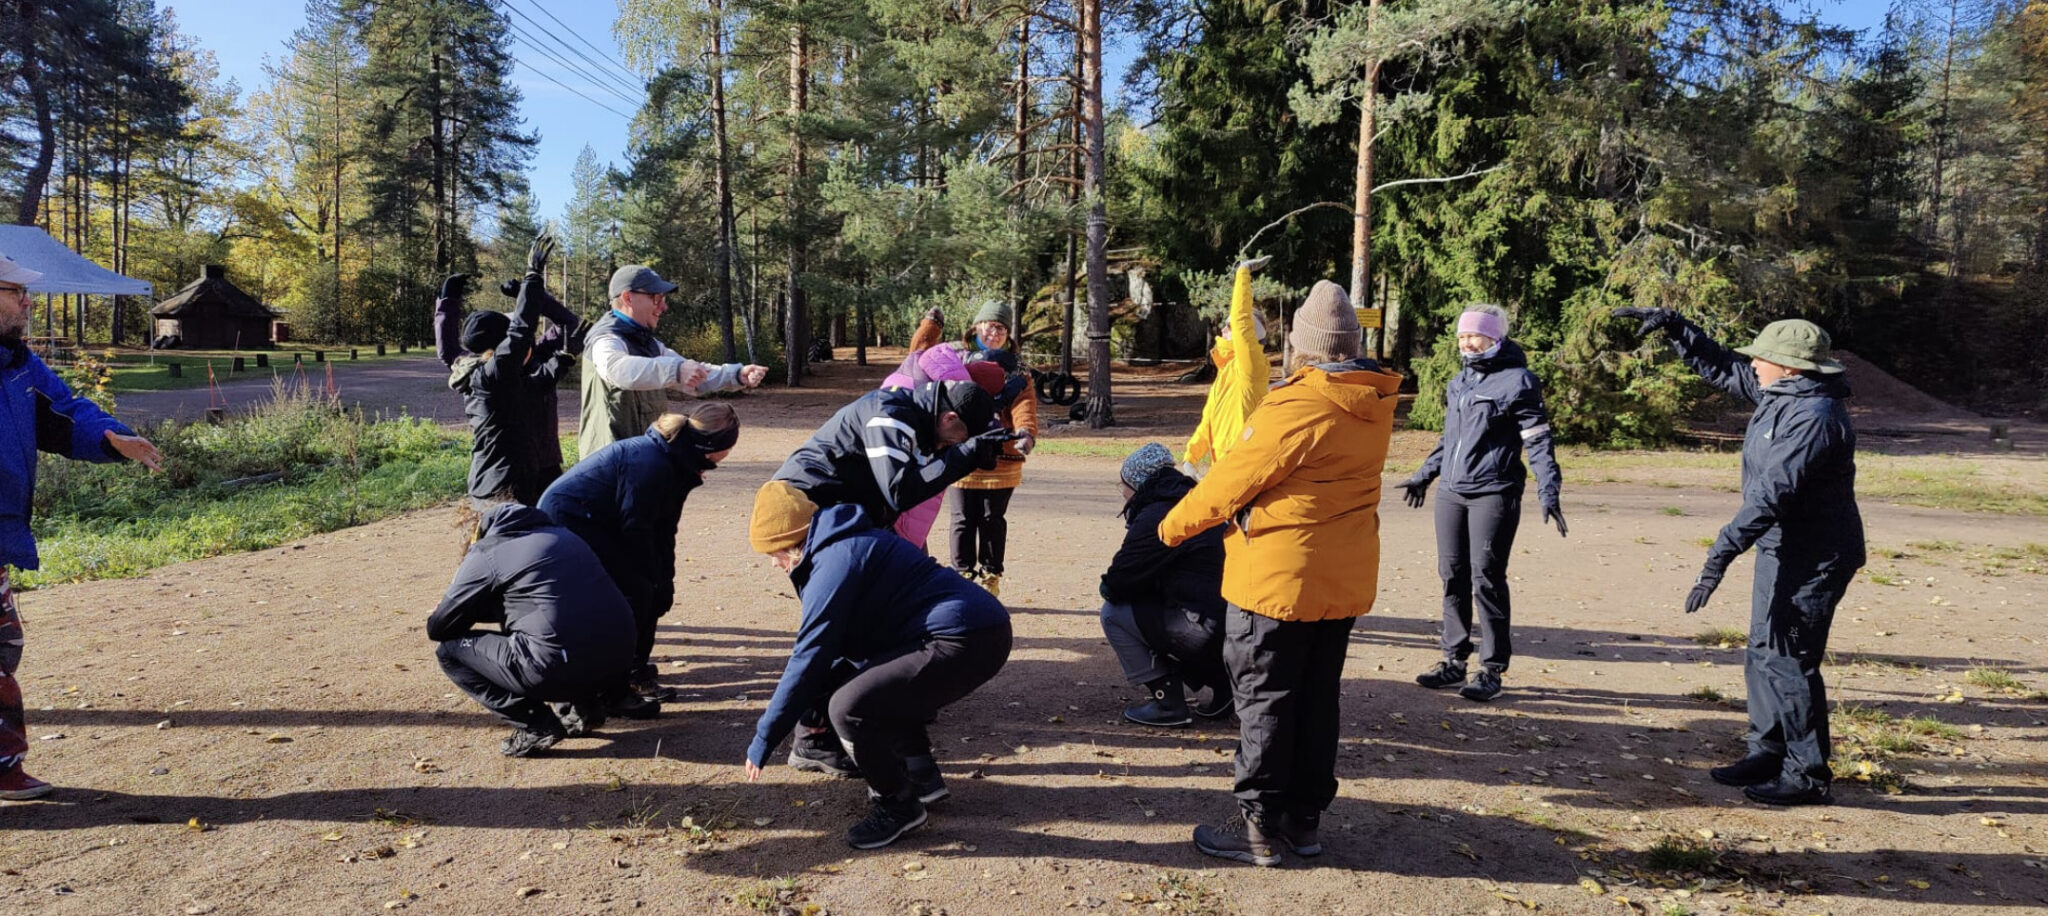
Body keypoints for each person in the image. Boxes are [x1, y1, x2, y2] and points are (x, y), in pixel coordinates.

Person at [1158, 280, 1401, 867]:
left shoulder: (1299, 404)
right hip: (1340, 581)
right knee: (1317, 699)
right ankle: (1303, 820)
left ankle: (1258, 829)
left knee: (1265, 699)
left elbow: (1229, 482)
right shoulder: (1373, 400)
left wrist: (1168, 529)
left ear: (1303, 345)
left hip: (1276, 581)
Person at [1613, 307, 1863, 806]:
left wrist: (1718, 557)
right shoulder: (1781, 393)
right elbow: (1724, 367)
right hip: (1781, 548)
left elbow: (1771, 495)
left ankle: (1807, 775)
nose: (1752, 363)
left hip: (1815, 557)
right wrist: (1677, 327)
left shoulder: (1814, 418)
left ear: (1790, 367)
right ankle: (1767, 751)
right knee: (1762, 652)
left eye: (1761, 357)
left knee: (1789, 660)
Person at [745, 489, 1012, 849]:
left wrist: (764, 738)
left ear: (790, 543)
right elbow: (845, 650)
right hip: (972, 628)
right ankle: (920, 775)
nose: (773, 564)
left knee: (849, 707)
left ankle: (898, 806)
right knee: (876, 685)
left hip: (964, 638)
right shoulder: (841, 542)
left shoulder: (834, 563)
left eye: (773, 553)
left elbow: (808, 657)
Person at [763, 379, 1006, 776]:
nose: (953, 444)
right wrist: (963, 456)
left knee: (873, 619)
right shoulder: (888, 416)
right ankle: (813, 738)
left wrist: (971, 451)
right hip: (803, 524)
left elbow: (908, 481)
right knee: (838, 629)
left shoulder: (920, 418)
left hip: (844, 520)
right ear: (948, 417)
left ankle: (880, 706)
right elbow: (899, 491)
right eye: (961, 435)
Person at [0, 253, 164, 800]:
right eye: (15, 292)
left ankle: (3, 766)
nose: (28, 302)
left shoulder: (17, 364)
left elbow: (66, 410)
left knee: (1, 649)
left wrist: (111, 438)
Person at [1396, 304, 1566, 703]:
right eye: (1461, 336)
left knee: (1486, 577)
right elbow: (1450, 440)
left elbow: (1538, 441)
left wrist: (1549, 488)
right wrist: (1425, 474)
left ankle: (1491, 668)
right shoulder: (1460, 382)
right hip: (1452, 493)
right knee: (1451, 575)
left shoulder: (1518, 381)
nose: (1467, 343)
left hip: (1494, 492)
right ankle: (1453, 659)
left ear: (1495, 337)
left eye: (1474, 335)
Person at [538, 402, 740, 711]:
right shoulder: (652, 463)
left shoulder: (677, 459)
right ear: (712, 447)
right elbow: (637, 529)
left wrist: (665, 580)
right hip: (572, 521)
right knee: (637, 593)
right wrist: (652, 579)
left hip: (602, 520)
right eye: (729, 447)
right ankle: (616, 687)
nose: (730, 454)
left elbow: (664, 529)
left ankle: (631, 672)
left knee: (650, 592)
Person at [427, 498, 638, 757]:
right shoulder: (565, 536)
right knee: (558, 622)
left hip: (560, 667)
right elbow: (552, 604)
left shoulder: (488, 550)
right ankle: (586, 709)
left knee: (449, 651)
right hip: (621, 661)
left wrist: (458, 610)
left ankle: (535, 723)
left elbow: (438, 628)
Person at [577, 265, 767, 461]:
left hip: (640, 459)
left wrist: (736, 375)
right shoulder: (605, 338)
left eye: (663, 299)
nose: (663, 307)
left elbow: (694, 376)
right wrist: (675, 370)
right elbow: (618, 370)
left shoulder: (648, 343)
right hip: (610, 465)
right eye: (656, 298)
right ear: (627, 298)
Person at [1099, 443, 1228, 727]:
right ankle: (1225, 688)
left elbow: (1118, 582)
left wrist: (1111, 588)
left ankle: (1167, 702)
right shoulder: (1198, 499)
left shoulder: (1156, 513)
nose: (1122, 493)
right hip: (1238, 625)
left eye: (1123, 486)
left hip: (1203, 629)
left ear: (1137, 484)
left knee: (1114, 614)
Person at [449, 249, 578, 507]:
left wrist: (561, 361)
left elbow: (535, 385)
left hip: (510, 482)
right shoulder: (490, 376)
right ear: (499, 347)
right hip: (501, 491)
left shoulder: (500, 379)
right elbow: (520, 332)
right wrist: (532, 278)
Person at [945, 301, 1038, 598]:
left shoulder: (1018, 370)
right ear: (976, 327)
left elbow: (1024, 405)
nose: (995, 333)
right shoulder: (955, 361)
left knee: (991, 518)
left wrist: (1026, 432)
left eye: (1002, 328)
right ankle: (961, 576)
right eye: (990, 325)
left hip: (1002, 456)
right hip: (961, 450)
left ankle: (990, 577)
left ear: (1008, 335)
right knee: (962, 517)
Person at [1183, 257, 1272, 472]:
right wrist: (1191, 457)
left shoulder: (1251, 367)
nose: (1223, 329)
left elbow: (1241, 321)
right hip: (1222, 468)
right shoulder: (1226, 370)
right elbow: (1209, 422)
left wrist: (1243, 273)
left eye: (1229, 326)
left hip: (1244, 467)